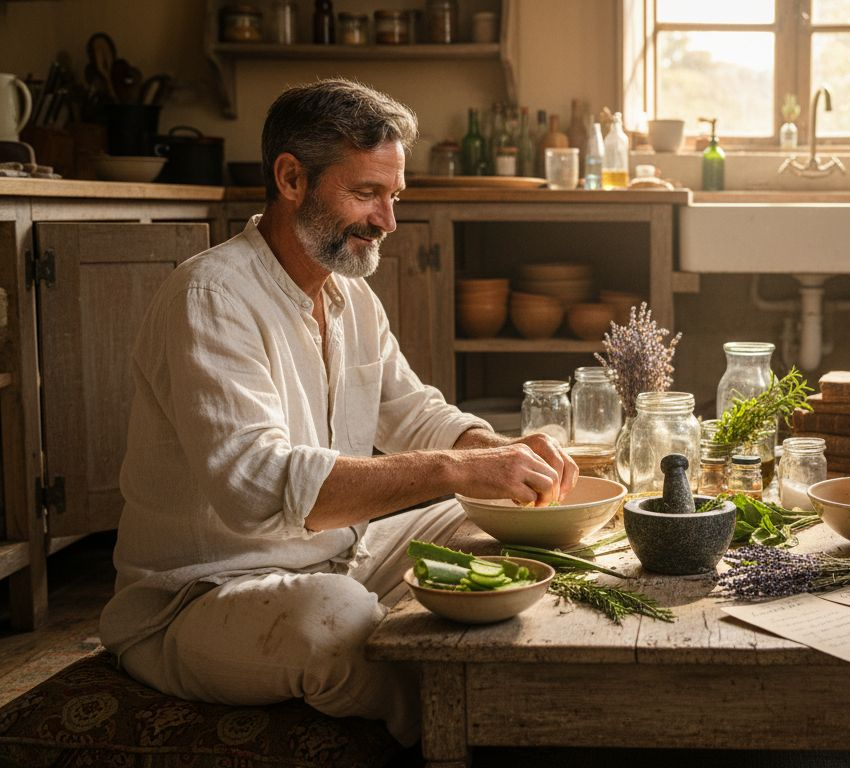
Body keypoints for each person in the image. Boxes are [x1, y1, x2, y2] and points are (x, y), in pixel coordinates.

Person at [99, 78, 577, 747]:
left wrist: (501, 454)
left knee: (511, 530)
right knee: (339, 619)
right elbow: (255, 488)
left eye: (394, 195)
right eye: (366, 193)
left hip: (339, 555)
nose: (388, 220)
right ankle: (470, 743)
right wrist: (455, 466)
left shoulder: (351, 299)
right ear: (291, 178)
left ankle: (552, 711)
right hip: (200, 595)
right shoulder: (210, 296)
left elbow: (413, 413)